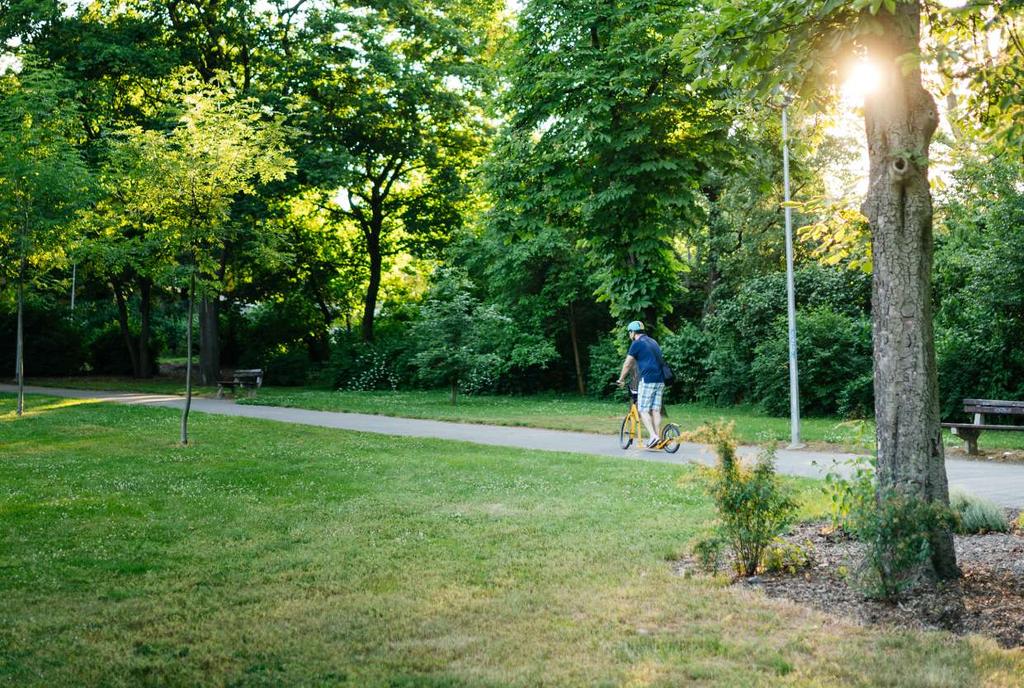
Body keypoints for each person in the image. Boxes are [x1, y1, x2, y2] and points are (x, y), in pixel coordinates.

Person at [616, 320, 665, 449]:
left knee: (643, 409)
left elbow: (628, 364)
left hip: (648, 379)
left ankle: (653, 436)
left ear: (633, 332)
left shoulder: (636, 344)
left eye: (629, 332)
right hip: (660, 379)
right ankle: (657, 437)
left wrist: (621, 379)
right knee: (655, 409)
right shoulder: (653, 342)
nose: (629, 335)